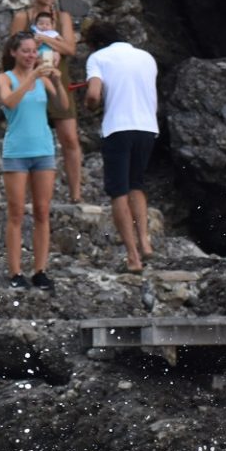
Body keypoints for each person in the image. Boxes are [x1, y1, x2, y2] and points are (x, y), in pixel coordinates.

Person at [83, 20, 160, 273]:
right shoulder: (146, 57)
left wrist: (90, 104)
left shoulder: (98, 58)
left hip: (118, 127)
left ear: (95, 43)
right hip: (147, 127)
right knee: (137, 184)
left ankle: (133, 256)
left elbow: (94, 95)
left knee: (119, 191)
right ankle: (145, 242)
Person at [0, 33, 64, 290]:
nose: (31, 55)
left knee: (43, 212)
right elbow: (8, 102)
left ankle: (40, 270)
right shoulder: (5, 78)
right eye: (25, 51)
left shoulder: (43, 79)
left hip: (43, 149)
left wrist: (55, 79)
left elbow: (62, 105)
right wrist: (32, 78)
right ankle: (15, 271)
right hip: (17, 152)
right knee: (16, 212)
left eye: (34, 51)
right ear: (14, 52)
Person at [8, 0, 84, 201]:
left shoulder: (63, 18)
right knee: (30, 136)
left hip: (58, 78)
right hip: (32, 81)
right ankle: (31, 194)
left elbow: (70, 48)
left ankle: (76, 193)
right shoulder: (23, 17)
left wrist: (47, 40)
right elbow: (12, 48)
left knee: (69, 137)